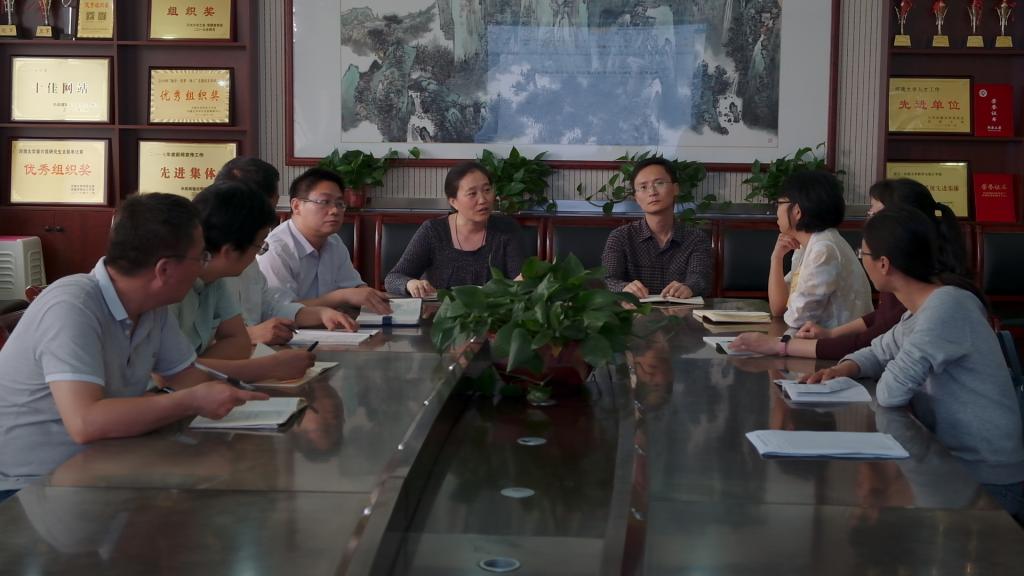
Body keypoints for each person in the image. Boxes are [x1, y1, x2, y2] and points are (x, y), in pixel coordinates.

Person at [0, 194, 268, 501]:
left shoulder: (152, 307)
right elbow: (86, 422)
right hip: (27, 487)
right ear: (164, 270)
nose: (202, 269)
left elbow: (188, 378)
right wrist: (192, 401)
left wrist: (249, 404)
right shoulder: (72, 306)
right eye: (200, 258)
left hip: (101, 466)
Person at [805, 208, 1024, 522]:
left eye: (862, 253)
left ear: (884, 264)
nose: (861, 260)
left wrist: (875, 366)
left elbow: (891, 391)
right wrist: (844, 369)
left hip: (985, 477)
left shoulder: (947, 307)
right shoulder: (920, 309)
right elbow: (877, 351)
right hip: (952, 462)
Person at [731, 178, 968, 359]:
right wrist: (776, 258)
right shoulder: (905, 279)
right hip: (842, 348)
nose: (868, 219)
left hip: (843, 353)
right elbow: (880, 321)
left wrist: (780, 346)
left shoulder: (928, 291)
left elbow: (869, 343)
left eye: (874, 212)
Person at [170, 181, 316, 383]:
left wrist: (193, 367)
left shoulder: (216, 280)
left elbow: (239, 343)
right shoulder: (169, 287)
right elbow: (167, 375)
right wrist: (269, 368)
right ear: (229, 251)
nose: (259, 254)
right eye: (260, 245)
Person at [214, 157, 358, 345]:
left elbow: (270, 308)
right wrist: (251, 336)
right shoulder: (200, 265)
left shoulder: (248, 253)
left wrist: (321, 314)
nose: (268, 219)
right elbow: (189, 350)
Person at [257, 167, 392, 314]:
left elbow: (353, 286)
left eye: (339, 203)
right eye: (324, 201)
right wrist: (342, 297)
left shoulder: (333, 241)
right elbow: (279, 311)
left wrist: (370, 295)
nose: (335, 211)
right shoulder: (275, 250)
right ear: (296, 206)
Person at [384, 161, 525, 297]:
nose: (483, 199)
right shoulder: (433, 231)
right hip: (440, 311)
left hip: (492, 311)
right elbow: (393, 278)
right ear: (453, 202)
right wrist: (410, 283)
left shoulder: (507, 228)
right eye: (472, 193)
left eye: (487, 190)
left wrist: (524, 282)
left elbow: (518, 280)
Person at [768, 170, 872, 329]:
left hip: (840, 343)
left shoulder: (824, 250)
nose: (776, 210)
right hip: (820, 340)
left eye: (779, 203)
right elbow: (779, 307)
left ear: (797, 211)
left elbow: (797, 319)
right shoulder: (809, 245)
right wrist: (776, 258)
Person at [601, 157, 712, 299]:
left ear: (675, 189)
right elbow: (608, 279)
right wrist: (623, 288)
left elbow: (700, 278)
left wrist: (689, 287)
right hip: (635, 311)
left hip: (680, 311)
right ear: (636, 198)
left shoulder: (696, 238)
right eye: (643, 187)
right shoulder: (620, 237)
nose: (652, 192)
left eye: (659, 183)